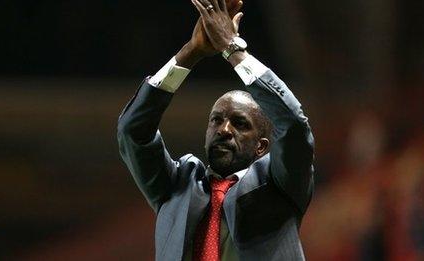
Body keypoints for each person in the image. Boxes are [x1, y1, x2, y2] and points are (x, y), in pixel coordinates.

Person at [117, 0, 315, 260]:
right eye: (216, 120)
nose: (224, 129)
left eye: (240, 123)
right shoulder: (175, 185)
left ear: (262, 146)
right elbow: (133, 131)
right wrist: (190, 53)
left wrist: (232, 48)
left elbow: (293, 125)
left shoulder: (282, 184)